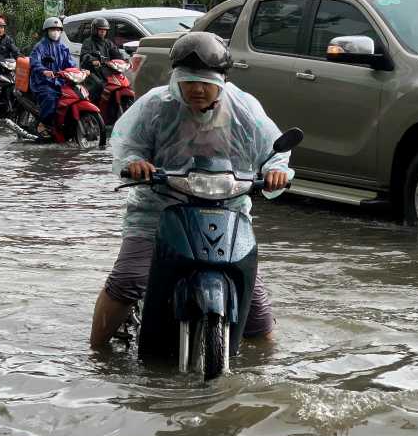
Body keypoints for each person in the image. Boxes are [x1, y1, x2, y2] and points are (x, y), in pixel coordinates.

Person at [89, 32, 293, 348]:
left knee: (256, 308)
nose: (197, 88)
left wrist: (275, 170)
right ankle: (96, 353)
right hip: (158, 210)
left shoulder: (244, 108)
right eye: (189, 80)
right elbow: (127, 143)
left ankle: (264, 369)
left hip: (228, 210)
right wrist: (135, 162)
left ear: (221, 81)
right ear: (176, 79)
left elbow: (275, 149)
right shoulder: (155, 106)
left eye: (205, 81)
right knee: (128, 281)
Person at [29, 17, 75, 134]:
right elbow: (34, 61)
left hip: (60, 81)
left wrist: (79, 72)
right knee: (50, 98)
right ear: (47, 31)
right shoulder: (40, 47)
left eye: (58, 29)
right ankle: (42, 123)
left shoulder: (63, 48)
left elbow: (71, 63)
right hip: (42, 82)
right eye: (52, 29)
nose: (55, 32)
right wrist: (44, 70)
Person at [79, 17, 120, 102]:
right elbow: (85, 55)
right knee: (99, 85)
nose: (103, 32)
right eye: (100, 30)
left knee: (119, 83)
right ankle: (93, 105)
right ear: (95, 30)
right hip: (92, 71)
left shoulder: (108, 43)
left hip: (106, 70)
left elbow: (116, 53)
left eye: (104, 30)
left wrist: (124, 60)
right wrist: (93, 60)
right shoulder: (88, 42)